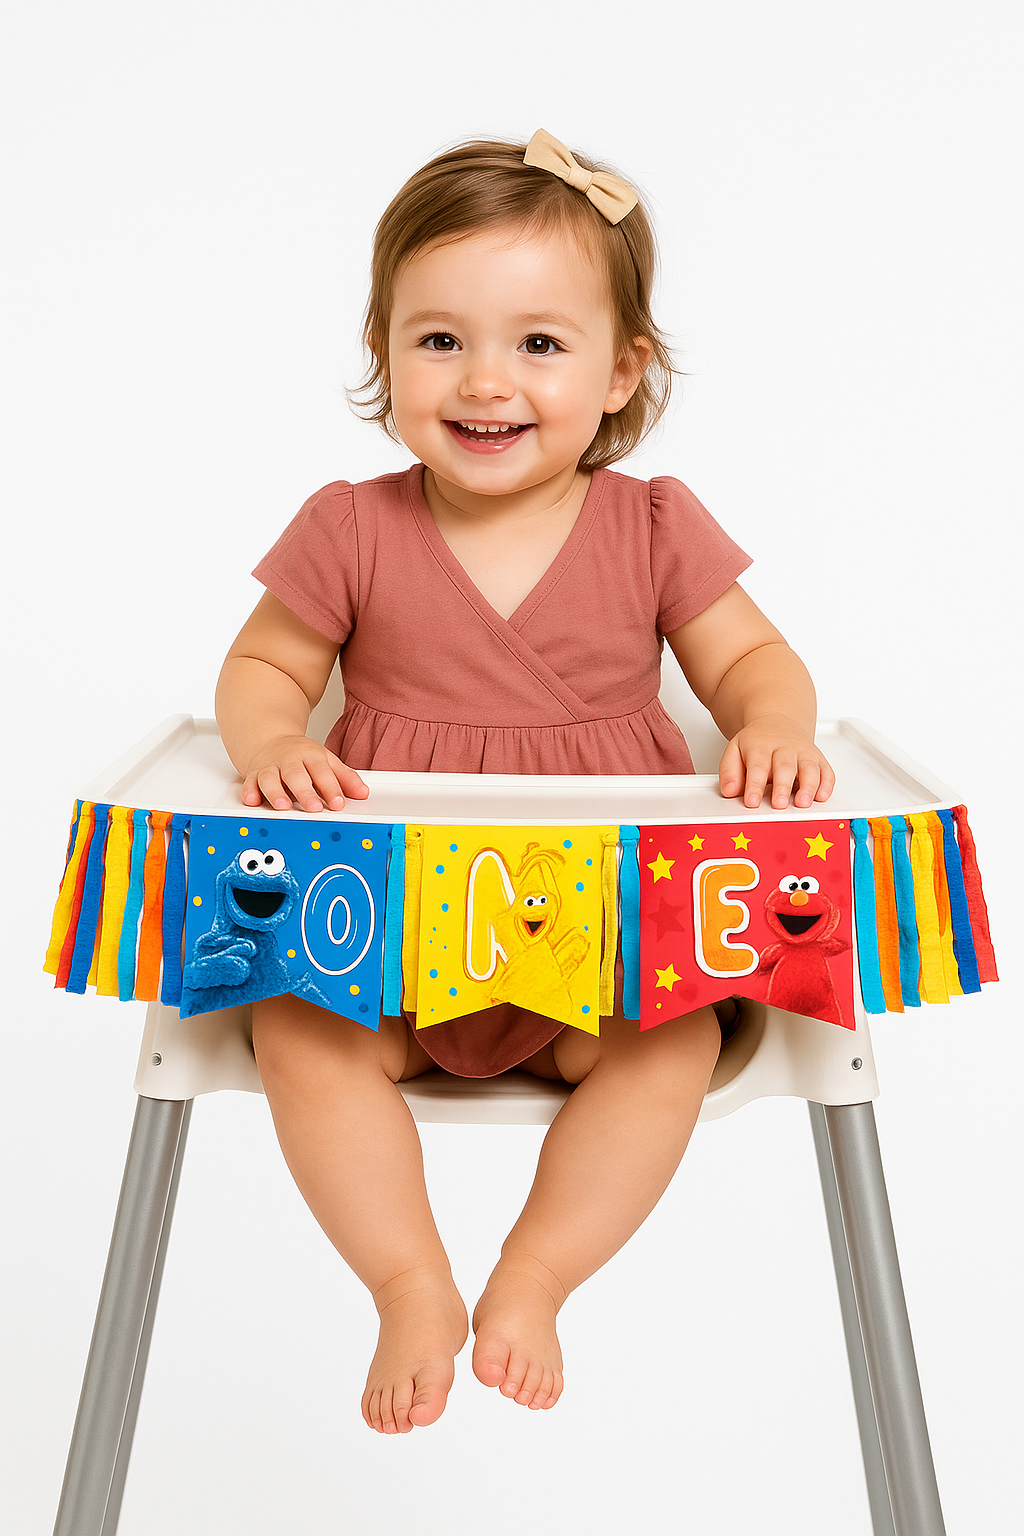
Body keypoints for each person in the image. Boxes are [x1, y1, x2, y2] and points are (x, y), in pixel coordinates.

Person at [215, 130, 836, 1436]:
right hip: (388, 948)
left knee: (674, 1040)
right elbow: (265, 669)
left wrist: (772, 726)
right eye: (440, 340)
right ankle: (408, 1280)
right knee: (294, 1027)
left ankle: (538, 1275)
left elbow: (753, 663)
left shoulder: (653, 526)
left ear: (622, 373)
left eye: (539, 344)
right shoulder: (351, 526)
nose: (485, 380)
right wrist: (272, 740)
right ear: (384, 352)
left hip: (594, 960)